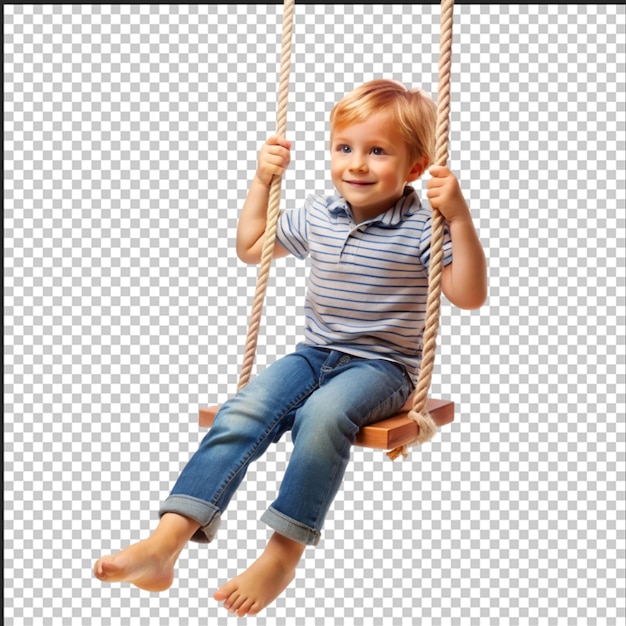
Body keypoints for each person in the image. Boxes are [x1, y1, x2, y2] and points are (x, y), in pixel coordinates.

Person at [94, 79, 487, 617]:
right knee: (243, 411)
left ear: (416, 169)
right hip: (313, 353)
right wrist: (262, 181)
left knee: (323, 416)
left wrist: (459, 219)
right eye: (345, 148)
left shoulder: (424, 227)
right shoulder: (318, 215)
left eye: (377, 152)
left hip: (384, 367)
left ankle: (282, 552)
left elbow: (468, 295)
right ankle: (165, 543)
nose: (357, 164)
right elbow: (253, 248)